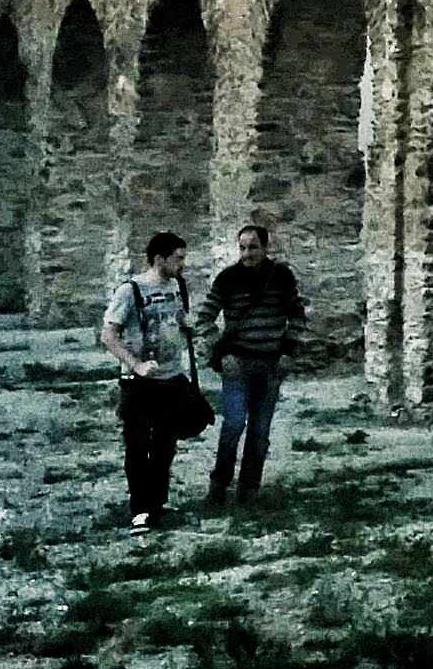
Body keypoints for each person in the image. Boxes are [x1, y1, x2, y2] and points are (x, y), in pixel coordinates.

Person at [194, 221, 306, 507]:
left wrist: (288, 352)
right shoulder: (227, 278)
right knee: (232, 425)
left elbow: (297, 316)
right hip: (238, 364)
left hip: (270, 365)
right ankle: (219, 484)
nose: (247, 254)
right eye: (242, 248)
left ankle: (249, 489)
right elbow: (204, 318)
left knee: (260, 431)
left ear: (266, 247)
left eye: (253, 247)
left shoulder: (281, 276)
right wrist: (222, 354)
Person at [100, 231, 203, 529]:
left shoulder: (178, 285)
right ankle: (140, 510)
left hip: (172, 378)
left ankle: (157, 505)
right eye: (178, 258)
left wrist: (186, 324)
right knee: (138, 444)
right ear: (159, 259)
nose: (183, 264)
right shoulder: (130, 291)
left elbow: (178, 320)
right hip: (138, 382)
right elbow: (108, 335)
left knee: (165, 445)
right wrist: (136, 364)